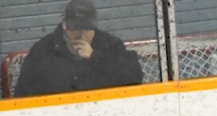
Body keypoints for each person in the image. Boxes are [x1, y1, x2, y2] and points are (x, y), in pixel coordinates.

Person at [14, 0, 143, 98]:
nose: (81, 35)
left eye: (87, 28)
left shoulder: (111, 45)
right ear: (64, 24)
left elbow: (134, 76)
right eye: (76, 28)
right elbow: (23, 93)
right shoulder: (42, 51)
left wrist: (96, 57)